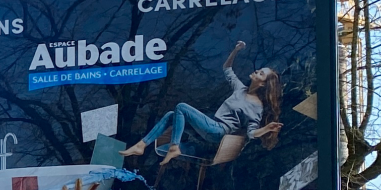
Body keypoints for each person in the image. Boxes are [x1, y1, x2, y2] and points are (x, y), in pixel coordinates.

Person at [121, 41, 284, 165]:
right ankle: (141, 145)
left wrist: (267, 128)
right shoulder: (240, 89)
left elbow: (251, 133)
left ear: (263, 84)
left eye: (261, 73)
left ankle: (174, 147)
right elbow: (227, 69)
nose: (256, 71)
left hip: (219, 132)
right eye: (259, 70)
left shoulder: (256, 107)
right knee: (172, 115)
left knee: (182, 107)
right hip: (211, 123)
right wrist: (236, 50)